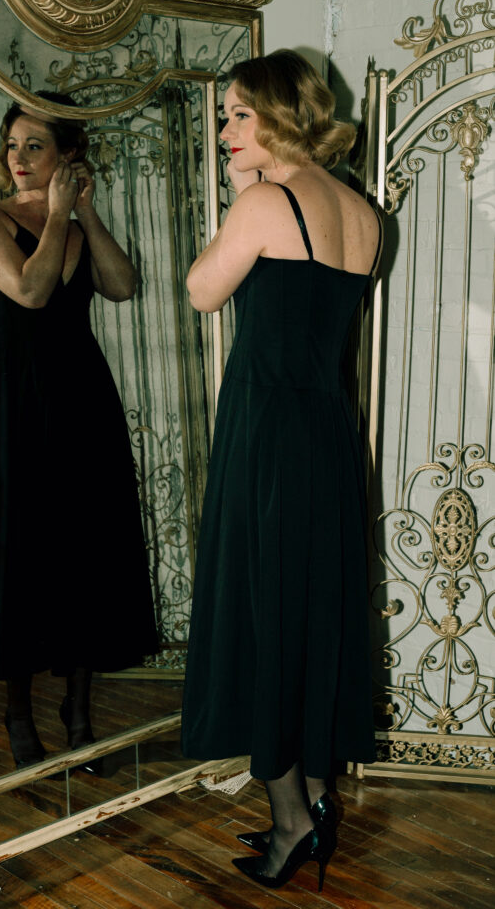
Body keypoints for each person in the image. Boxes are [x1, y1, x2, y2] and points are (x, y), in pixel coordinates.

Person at [180, 50, 380, 891]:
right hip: (326, 436)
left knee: (266, 617)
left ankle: (292, 822)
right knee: (312, 613)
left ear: (279, 116)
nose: (224, 129)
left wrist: (241, 194)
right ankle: (318, 800)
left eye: (238, 113)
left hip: (266, 437)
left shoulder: (265, 202)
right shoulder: (363, 212)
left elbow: (200, 291)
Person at [0, 92, 158, 772]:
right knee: (22, 552)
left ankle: (79, 713)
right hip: (14, 405)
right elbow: (31, 291)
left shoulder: (75, 225)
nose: (17, 158)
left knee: (87, 552)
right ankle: (18, 712)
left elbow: (123, 286)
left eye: (34, 146)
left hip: (82, 404)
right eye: (12, 145)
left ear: (70, 155)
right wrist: (53, 217)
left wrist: (86, 213)